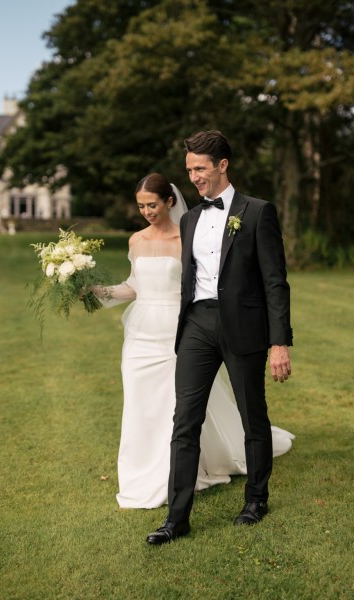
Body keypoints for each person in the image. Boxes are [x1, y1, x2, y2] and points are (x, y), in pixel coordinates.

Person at [91, 172, 293, 510]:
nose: (146, 212)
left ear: (169, 201)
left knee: (178, 408)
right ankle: (142, 474)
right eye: (141, 206)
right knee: (142, 405)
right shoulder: (136, 241)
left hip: (177, 328)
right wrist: (95, 292)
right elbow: (135, 286)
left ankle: (181, 474)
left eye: (152, 204)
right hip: (141, 333)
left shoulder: (190, 234)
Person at [146, 131, 293, 545]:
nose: (193, 176)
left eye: (200, 168)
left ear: (223, 165)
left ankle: (256, 500)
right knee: (185, 420)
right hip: (197, 325)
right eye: (189, 169)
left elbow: (275, 282)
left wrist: (279, 342)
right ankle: (177, 519)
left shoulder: (258, 212)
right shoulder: (190, 218)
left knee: (252, 415)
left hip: (243, 327)